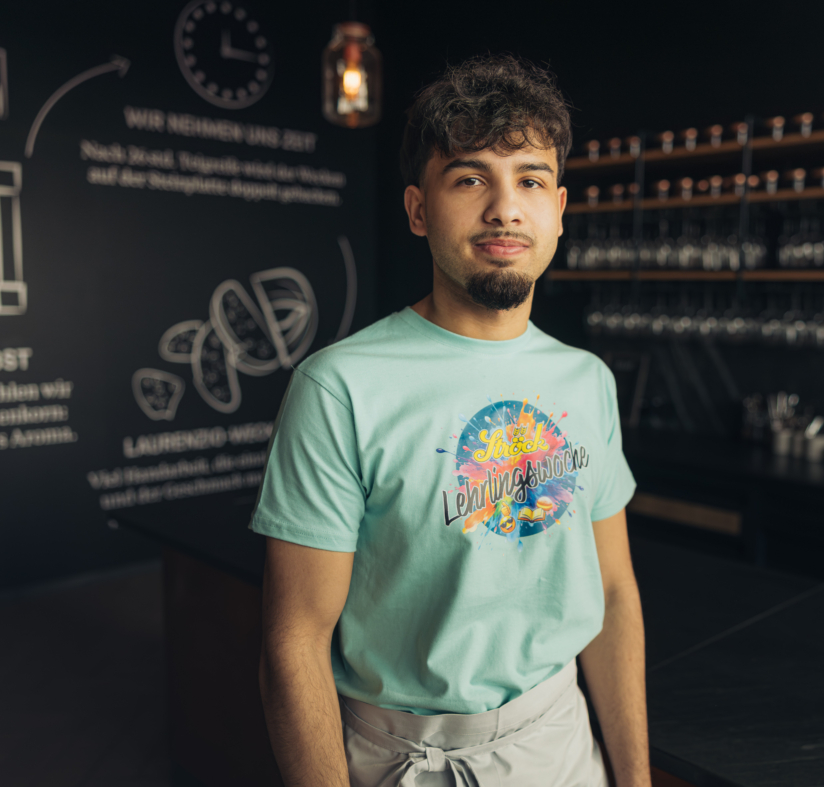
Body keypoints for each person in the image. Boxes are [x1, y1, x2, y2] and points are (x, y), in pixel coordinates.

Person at [253, 53, 649, 787]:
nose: (505, 207)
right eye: (470, 178)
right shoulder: (340, 386)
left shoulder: (586, 380)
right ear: (416, 209)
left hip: (561, 743)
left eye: (529, 179)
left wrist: (636, 779)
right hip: (403, 758)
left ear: (559, 210)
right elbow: (294, 639)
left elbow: (616, 595)